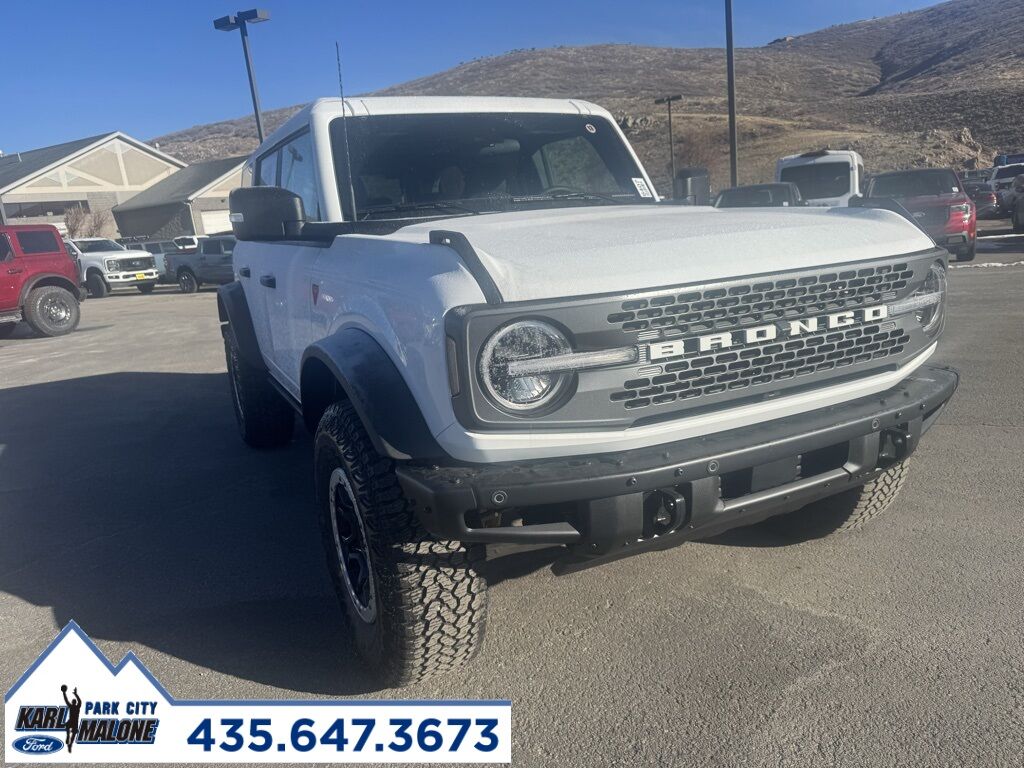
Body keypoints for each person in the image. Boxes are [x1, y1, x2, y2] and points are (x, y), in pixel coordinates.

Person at [61, 684, 81, 753]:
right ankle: (68, 736)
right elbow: (66, 700)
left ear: (74, 702)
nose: (73, 701)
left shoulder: (75, 706)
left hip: (74, 722)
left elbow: (79, 701)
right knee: (68, 727)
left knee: (73, 733)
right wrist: (64, 693)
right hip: (73, 721)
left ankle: (70, 744)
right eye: (73, 701)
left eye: (74, 701)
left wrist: (75, 694)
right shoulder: (74, 706)